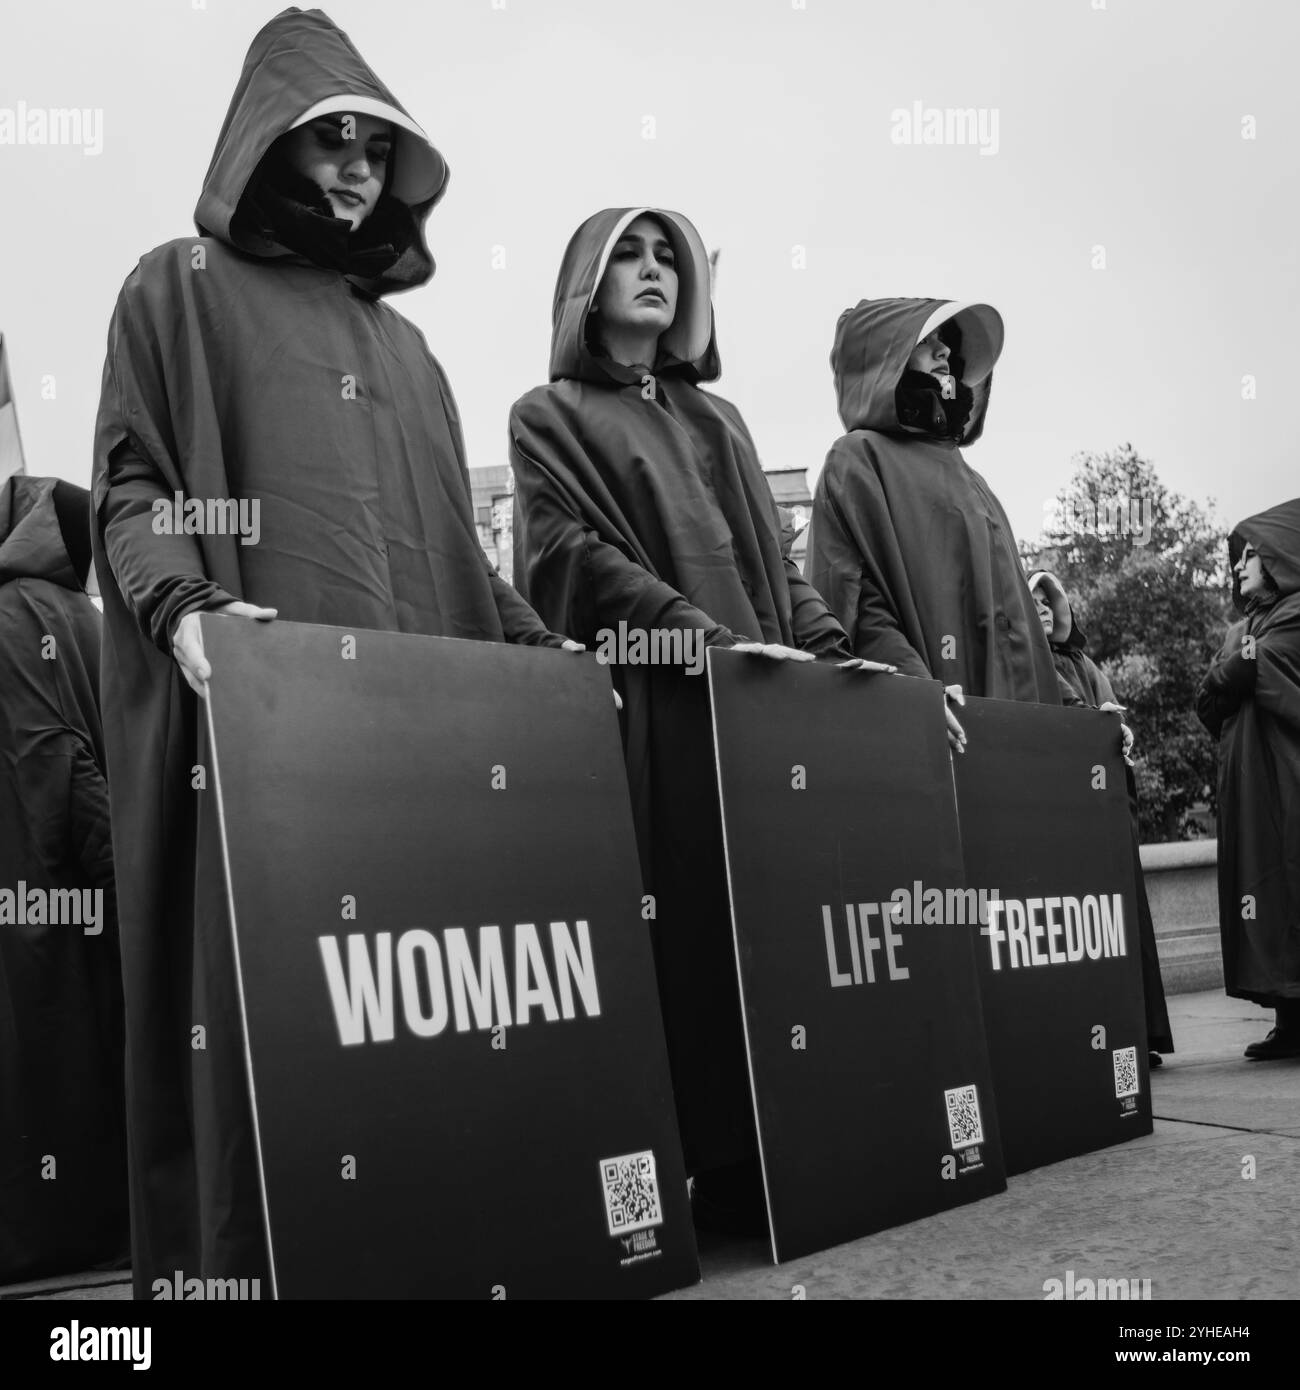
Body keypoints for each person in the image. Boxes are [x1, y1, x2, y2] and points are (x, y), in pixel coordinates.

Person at [92, 7, 576, 1296]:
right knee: (280, 1033)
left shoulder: (410, 353)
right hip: (266, 732)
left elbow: (455, 556)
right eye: (329, 140)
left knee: (420, 1012)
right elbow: (133, 488)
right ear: (264, 149)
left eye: (378, 147)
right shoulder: (173, 289)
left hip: (415, 753)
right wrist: (180, 608)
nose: (359, 167)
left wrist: (549, 656)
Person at [508, 208, 895, 1222]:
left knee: (776, 930)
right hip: (659, 713)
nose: (651, 272)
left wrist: (841, 667)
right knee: (678, 929)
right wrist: (700, 639)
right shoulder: (546, 414)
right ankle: (705, 1161)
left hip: (767, 716)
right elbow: (572, 561)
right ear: (586, 283)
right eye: (628, 255)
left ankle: (783, 1150)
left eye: (665, 258)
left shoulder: (720, 420)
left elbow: (778, 567)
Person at [806, 299, 1062, 717]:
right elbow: (854, 604)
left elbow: (1020, 626)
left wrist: (1074, 708)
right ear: (884, 359)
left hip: (1014, 734)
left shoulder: (976, 482)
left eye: (946, 342)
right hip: (930, 729)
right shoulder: (857, 458)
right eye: (926, 340)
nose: (945, 352)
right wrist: (917, 694)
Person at [0, 476, 128, 1281]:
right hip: (83, 893)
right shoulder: (73, 617)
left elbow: (52, 765)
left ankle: (46, 1243)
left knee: (40, 1062)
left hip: (37, 889)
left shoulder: (17, 616)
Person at [1031, 570, 1175, 1065]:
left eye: (1049, 598)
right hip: (1067, 809)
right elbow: (1067, 710)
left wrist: (1115, 729)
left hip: (1109, 803)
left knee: (1123, 917)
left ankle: (1142, 1034)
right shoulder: (1030, 662)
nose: (1044, 606)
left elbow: (1109, 721)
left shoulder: (1085, 662)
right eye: (1032, 599)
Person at [1196, 500, 1300, 1061]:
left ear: (1281, 558)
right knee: (1266, 896)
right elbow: (1206, 700)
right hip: (1248, 789)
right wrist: (1233, 661)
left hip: (1287, 784)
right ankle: (1290, 1023)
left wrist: (1233, 662)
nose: (1238, 567)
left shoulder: (1295, 615)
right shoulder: (1245, 626)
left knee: (1292, 891)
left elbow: (1244, 668)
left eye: (1250, 556)